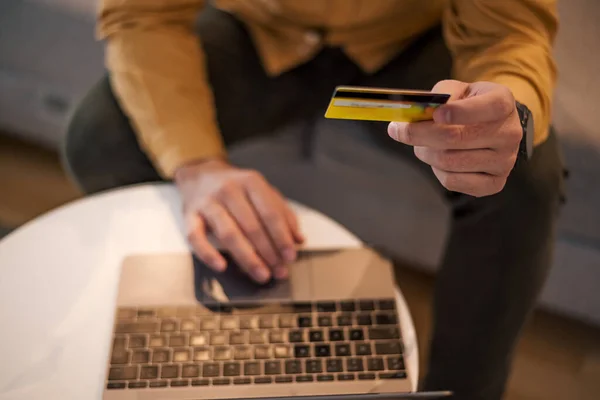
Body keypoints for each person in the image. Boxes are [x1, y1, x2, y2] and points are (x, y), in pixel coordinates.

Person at [63, 1, 565, 398]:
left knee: (525, 182)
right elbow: (144, 14)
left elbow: (509, 31)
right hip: (259, 27)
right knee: (100, 138)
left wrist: (505, 111)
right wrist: (197, 166)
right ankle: (176, 333)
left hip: (411, 37)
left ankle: (464, 393)